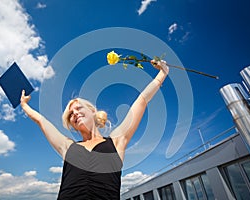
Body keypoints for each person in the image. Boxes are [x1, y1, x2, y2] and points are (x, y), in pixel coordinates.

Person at [20, 60, 169, 200]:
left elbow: (141, 101)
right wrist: (25, 105)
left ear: (93, 111)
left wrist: (162, 73)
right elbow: (41, 121)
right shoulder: (68, 146)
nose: (75, 113)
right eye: (71, 114)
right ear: (71, 123)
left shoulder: (116, 142)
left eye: (78, 108)